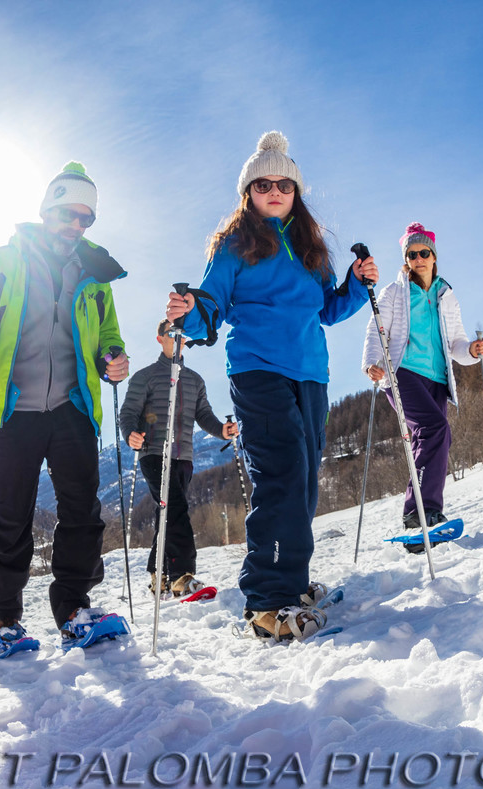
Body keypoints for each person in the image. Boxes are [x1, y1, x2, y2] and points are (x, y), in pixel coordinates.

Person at [166, 132, 377, 641]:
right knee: (281, 472)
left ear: (296, 190)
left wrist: (355, 282)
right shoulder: (235, 246)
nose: (275, 190)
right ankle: (266, 601)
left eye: (284, 183)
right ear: (249, 192)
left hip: (310, 373)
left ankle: (292, 579)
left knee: (303, 480)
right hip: (258, 368)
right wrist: (190, 314)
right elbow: (211, 304)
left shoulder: (311, 249)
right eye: (264, 183)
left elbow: (325, 310)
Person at [0, 162, 131, 655]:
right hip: (12, 411)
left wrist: (112, 357)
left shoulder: (94, 277)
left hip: (72, 408)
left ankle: (73, 609)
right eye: (69, 213)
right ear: (47, 209)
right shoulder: (0, 262)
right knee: (11, 515)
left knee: (83, 514)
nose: (76, 225)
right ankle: (4, 618)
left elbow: (107, 335)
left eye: (86, 219)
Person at [362, 223, 483, 549]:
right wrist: (372, 364)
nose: (418, 258)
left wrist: (471, 353)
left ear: (434, 257)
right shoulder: (395, 292)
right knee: (434, 428)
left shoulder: (446, 295)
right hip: (402, 372)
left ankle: (420, 526)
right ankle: (421, 512)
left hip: (436, 378)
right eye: (412, 254)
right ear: (406, 259)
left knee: (436, 437)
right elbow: (376, 331)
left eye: (424, 253)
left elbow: (457, 342)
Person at [119, 320, 239, 596]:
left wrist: (221, 430)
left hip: (184, 457)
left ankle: (158, 574)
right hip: (153, 453)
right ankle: (182, 576)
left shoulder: (195, 380)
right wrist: (131, 435)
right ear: (159, 339)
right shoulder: (145, 376)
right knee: (175, 511)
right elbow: (127, 413)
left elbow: (204, 415)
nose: (177, 339)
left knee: (168, 515)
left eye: (181, 336)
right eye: (171, 335)